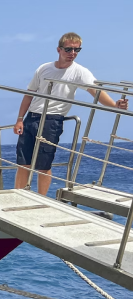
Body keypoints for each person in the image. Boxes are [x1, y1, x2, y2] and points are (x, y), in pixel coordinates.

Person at [14, 32, 128, 195]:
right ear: (59, 49)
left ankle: (41, 199)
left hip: (52, 120)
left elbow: (96, 91)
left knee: (43, 165)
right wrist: (20, 119)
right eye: (68, 49)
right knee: (23, 163)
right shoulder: (44, 68)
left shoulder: (80, 72)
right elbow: (29, 94)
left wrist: (115, 105)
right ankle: (18, 196)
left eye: (76, 50)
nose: (72, 53)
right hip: (31, 117)